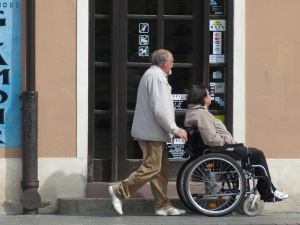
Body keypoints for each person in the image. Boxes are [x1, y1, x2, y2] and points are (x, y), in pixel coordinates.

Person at [109, 49, 188, 216]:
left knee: (160, 170)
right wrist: (174, 129)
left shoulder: (154, 75)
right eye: (172, 60)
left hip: (153, 132)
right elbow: (160, 109)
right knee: (152, 168)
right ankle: (119, 191)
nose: (173, 63)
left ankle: (162, 205)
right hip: (152, 133)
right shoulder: (156, 77)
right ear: (164, 62)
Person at [184, 84, 289, 202]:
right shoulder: (201, 114)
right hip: (219, 151)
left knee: (253, 152)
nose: (210, 96)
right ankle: (269, 191)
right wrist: (228, 143)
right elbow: (211, 139)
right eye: (209, 94)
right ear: (204, 99)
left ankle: (269, 189)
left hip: (216, 151)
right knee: (258, 155)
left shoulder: (195, 112)